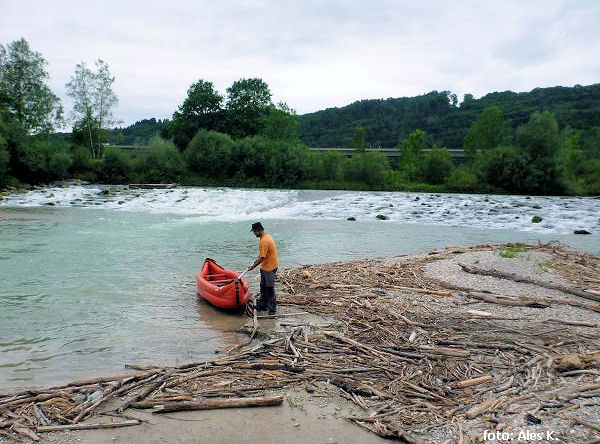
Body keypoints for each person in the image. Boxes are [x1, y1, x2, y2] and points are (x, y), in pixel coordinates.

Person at [247, 222, 278, 315]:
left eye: (254, 232)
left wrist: (252, 267)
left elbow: (262, 258)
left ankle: (272, 309)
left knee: (269, 289)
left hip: (269, 268)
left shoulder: (264, 241)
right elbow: (263, 254)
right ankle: (264, 305)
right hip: (266, 266)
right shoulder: (266, 236)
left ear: (258, 230)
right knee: (263, 287)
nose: (254, 234)